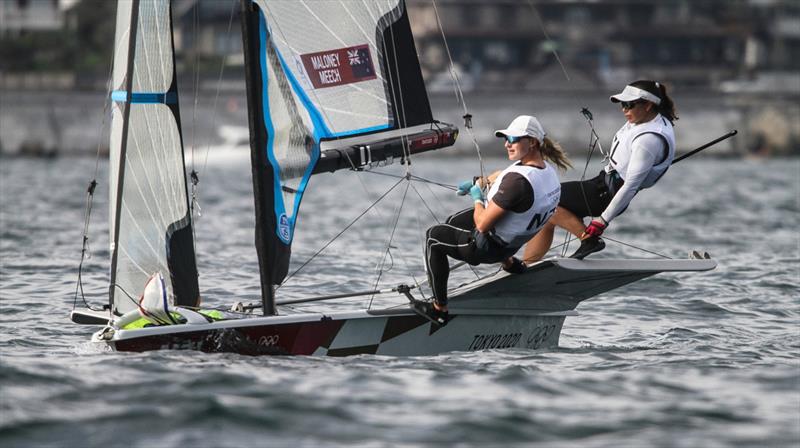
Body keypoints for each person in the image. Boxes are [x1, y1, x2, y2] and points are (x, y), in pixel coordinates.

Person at [421, 115, 572, 323]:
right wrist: (478, 181)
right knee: (453, 221)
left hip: (485, 247)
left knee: (433, 237)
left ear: (533, 142)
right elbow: (502, 176)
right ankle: (510, 264)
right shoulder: (548, 172)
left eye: (513, 140)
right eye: (506, 139)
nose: (507, 144)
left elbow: (482, 224)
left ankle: (439, 309)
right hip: (509, 246)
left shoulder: (517, 183)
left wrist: (477, 197)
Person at [522, 80, 678, 263]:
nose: (624, 109)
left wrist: (602, 221)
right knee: (547, 216)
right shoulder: (650, 119)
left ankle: (588, 240)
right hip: (601, 183)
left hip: (608, 193)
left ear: (649, 105)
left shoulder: (648, 140)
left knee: (548, 202)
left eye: (629, 104)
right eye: (622, 104)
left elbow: (630, 186)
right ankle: (527, 264)